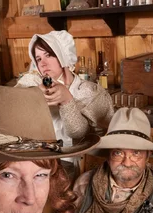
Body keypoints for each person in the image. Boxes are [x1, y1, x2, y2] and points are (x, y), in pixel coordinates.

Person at [16, 31, 114, 175]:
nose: (43, 63)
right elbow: (11, 112)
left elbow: (79, 134)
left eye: (49, 55)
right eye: (38, 58)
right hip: (36, 160)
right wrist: (34, 96)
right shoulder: (30, 83)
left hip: (73, 164)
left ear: (63, 55)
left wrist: (67, 101)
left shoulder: (90, 91)